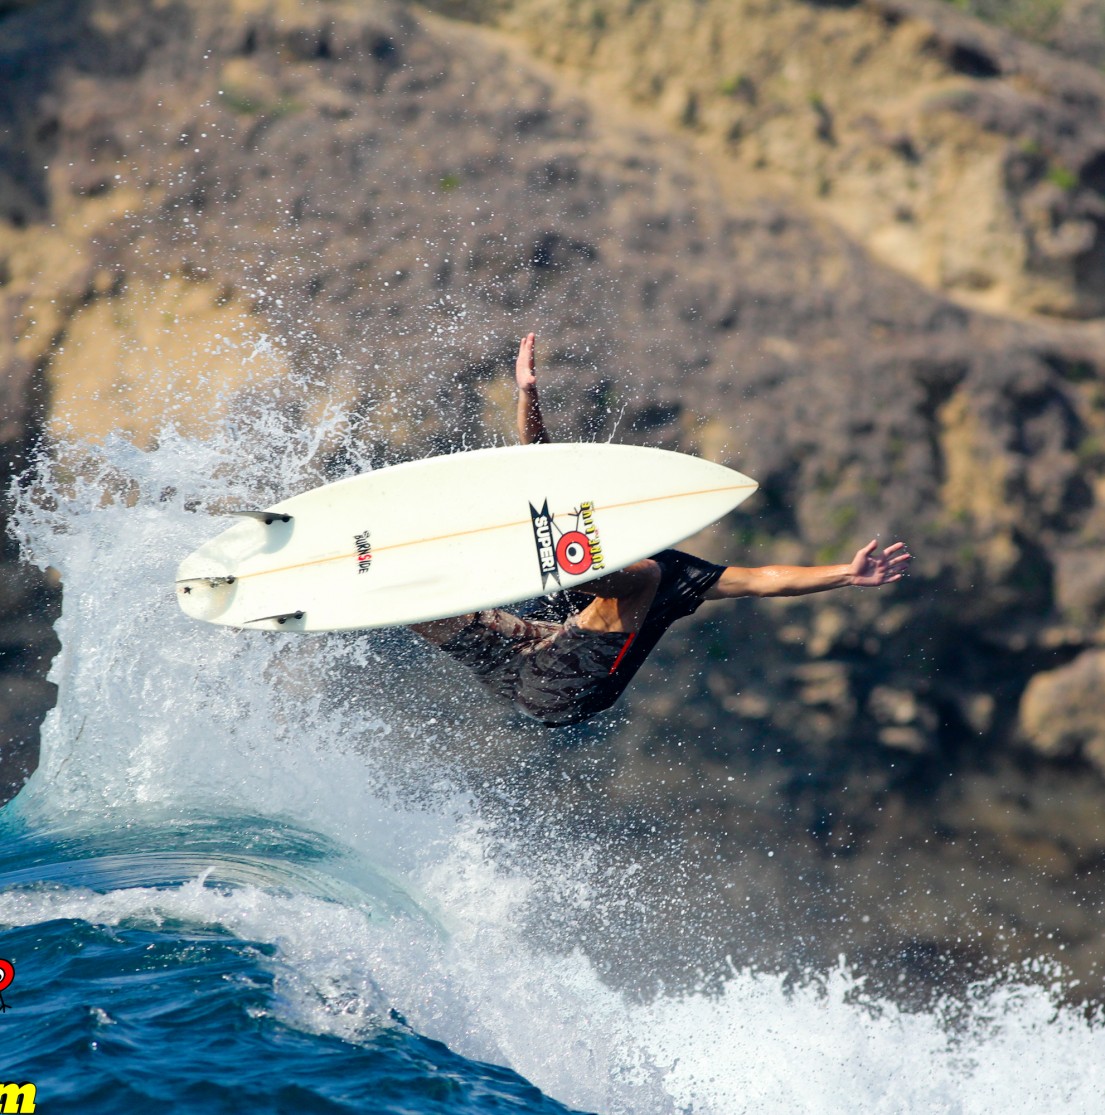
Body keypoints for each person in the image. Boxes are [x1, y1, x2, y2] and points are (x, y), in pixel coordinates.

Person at [411, 333, 911, 727]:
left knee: (645, 575)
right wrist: (528, 394)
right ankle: (360, 594)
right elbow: (539, 464)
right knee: (434, 609)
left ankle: (571, 577)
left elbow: (764, 579)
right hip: (521, 650)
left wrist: (844, 574)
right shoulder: (579, 530)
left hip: (563, 692)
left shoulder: (675, 571)